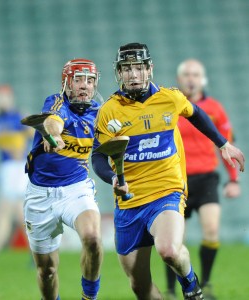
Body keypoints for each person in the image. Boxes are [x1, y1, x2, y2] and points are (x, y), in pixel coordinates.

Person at [91, 43, 245, 300]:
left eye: (138, 67)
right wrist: (113, 178)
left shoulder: (169, 97)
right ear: (119, 72)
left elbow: (196, 114)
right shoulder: (109, 110)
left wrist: (223, 143)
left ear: (149, 69)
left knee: (169, 250)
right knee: (140, 286)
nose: (133, 74)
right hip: (129, 202)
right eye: (126, 68)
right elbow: (97, 155)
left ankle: (192, 287)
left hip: (166, 190)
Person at [23, 59, 103, 300]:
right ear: (67, 83)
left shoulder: (99, 114)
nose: (84, 86)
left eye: (90, 80)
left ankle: (89, 297)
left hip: (75, 189)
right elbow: (52, 121)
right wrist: (53, 135)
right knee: (46, 270)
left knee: (92, 238)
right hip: (40, 195)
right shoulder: (56, 102)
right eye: (78, 79)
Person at [164, 59, 241, 300]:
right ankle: (170, 289)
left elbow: (226, 144)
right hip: (178, 180)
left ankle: (205, 284)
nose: (191, 78)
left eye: (195, 74)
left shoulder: (215, 108)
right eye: (186, 74)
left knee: (211, 230)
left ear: (202, 79)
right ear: (179, 79)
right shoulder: (170, 107)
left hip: (207, 178)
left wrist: (232, 180)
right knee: (174, 241)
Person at [0, 85, 31, 251]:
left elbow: (30, 133)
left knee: (9, 210)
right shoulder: (0, 119)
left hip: (16, 167)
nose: (1, 100)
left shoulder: (18, 116)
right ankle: (36, 248)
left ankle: (36, 247)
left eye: (3, 96)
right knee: (16, 210)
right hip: (8, 167)